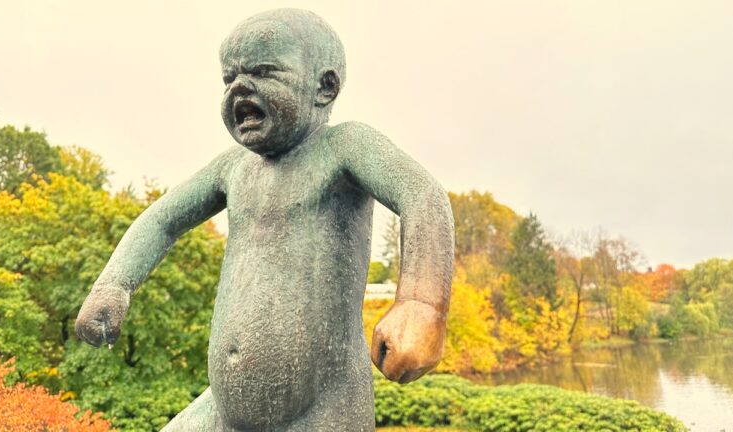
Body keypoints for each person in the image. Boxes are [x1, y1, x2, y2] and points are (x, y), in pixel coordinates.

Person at [75, 9, 454, 431]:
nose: (239, 88)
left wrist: (422, 303)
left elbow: (422, 194)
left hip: (320, 410)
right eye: (228, 78)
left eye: (264, 72)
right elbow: (162, 220)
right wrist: (115, 283)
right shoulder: (233, 168)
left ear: (324, 87)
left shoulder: (342, 147)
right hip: (222, 411)